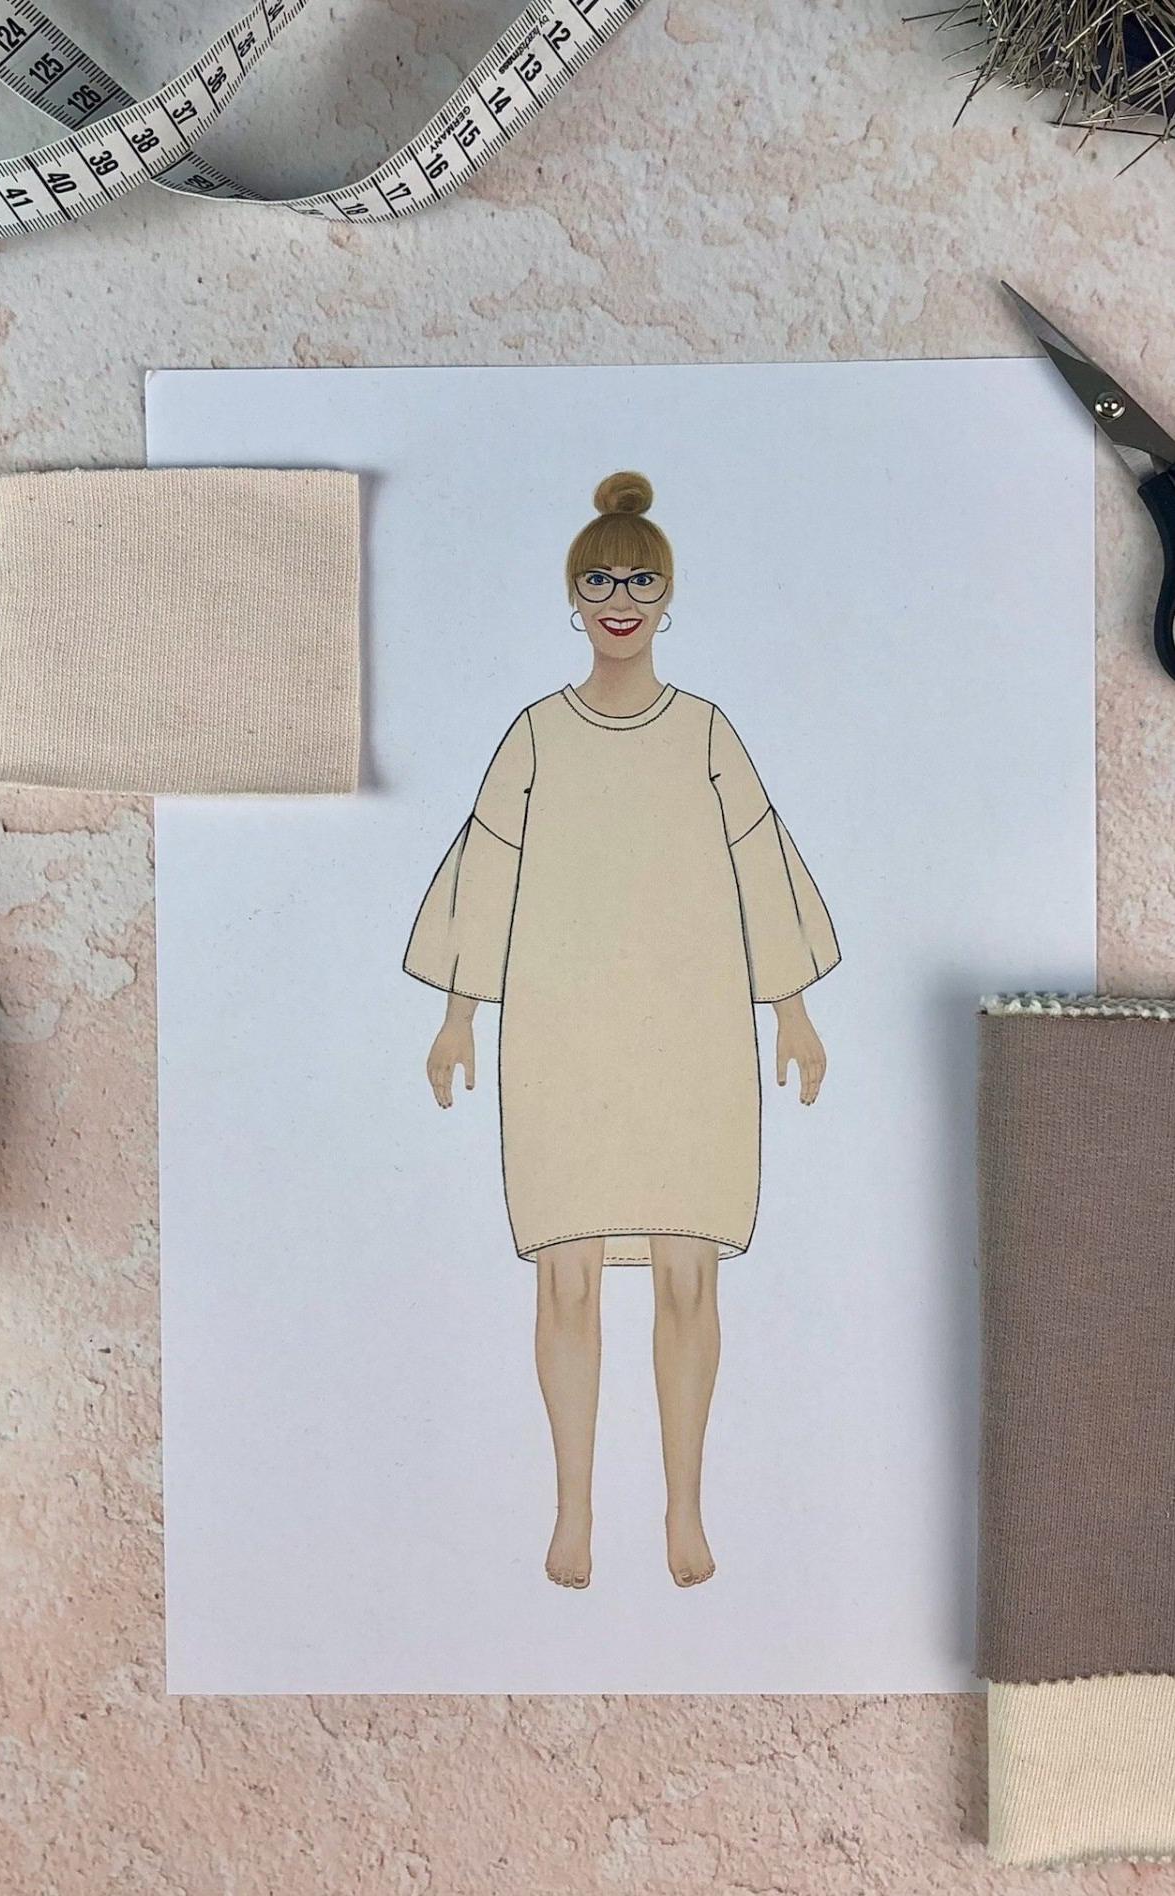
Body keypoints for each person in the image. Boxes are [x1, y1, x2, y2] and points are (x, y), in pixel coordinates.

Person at [404, 471, 839, 1590]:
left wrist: (791, 1010)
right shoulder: (535, 736)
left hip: (692, 1029)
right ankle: (573, 1515)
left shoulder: (705, 732)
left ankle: (684, 1511)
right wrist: (457, 1017)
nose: (619, 601)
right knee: (566, 1276)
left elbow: (760, 859)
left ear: (667, 597)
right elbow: (483, 869)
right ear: (572, 597)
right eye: (598, 582)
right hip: (561, 1030)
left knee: (691, 1272)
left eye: (640, 582)